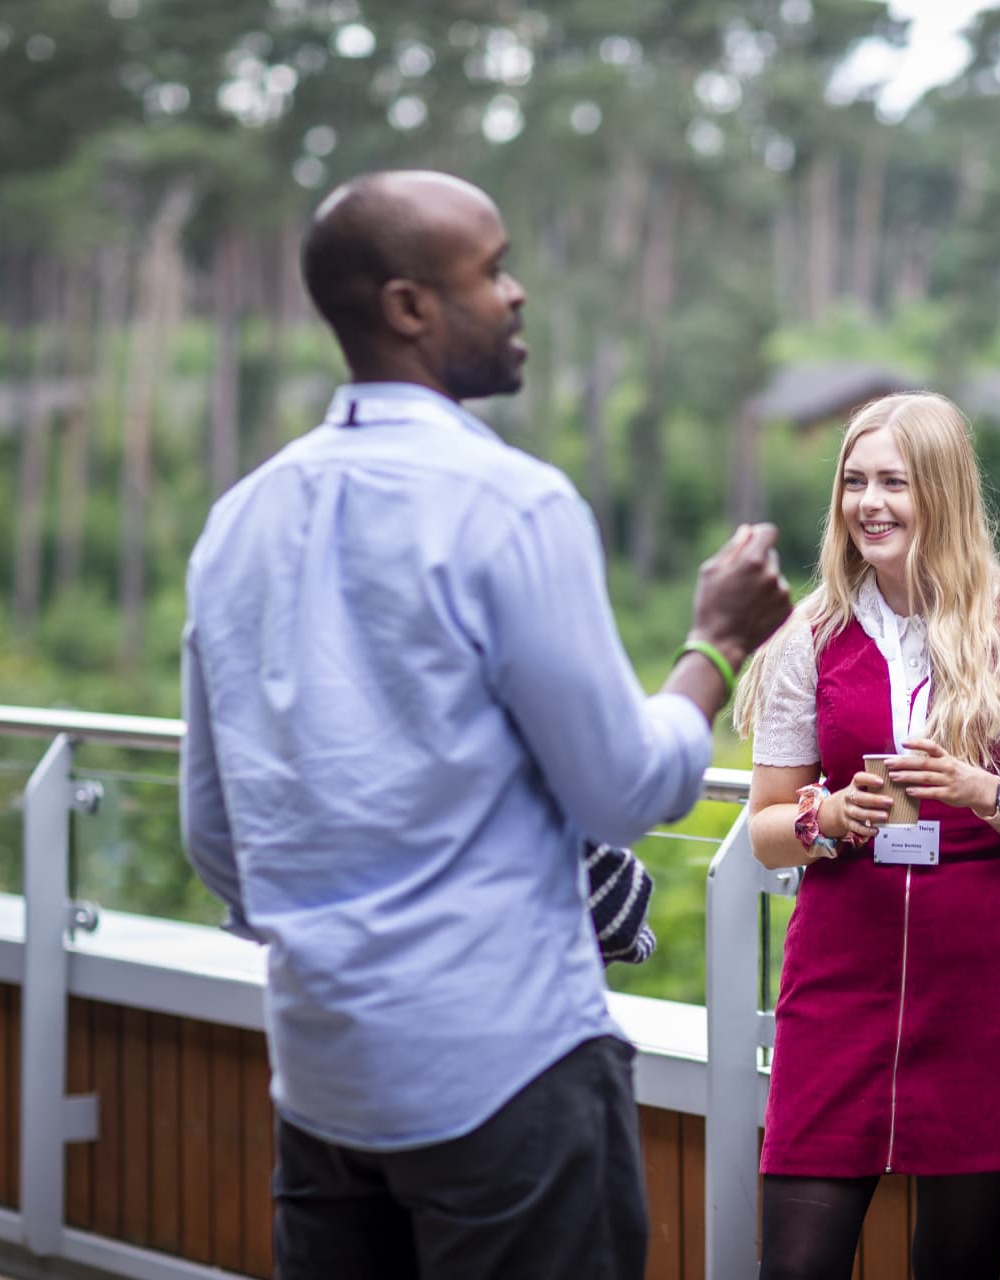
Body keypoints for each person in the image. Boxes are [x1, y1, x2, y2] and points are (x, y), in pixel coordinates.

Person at [179, 169, 791, 1280]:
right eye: (493, 268)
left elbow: (218, 839)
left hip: (321, 1082)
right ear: (411, 306)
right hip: (509, 1081)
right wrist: (714, 648)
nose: (518, 295)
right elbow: (624, 789)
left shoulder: (239, 520)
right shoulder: (513, 504)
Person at [732, 391, 1000, 1280]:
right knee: (795, 1267)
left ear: (945, 494)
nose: (868, 503)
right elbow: (768, 832)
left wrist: (985, 791)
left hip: (983, 997)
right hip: (839, 987)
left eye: (895, 482)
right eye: (854, 481)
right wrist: (831, 817)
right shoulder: (805, 636)